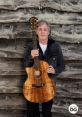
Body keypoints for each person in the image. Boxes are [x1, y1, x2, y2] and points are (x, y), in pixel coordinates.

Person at [23, 20, 65, 117]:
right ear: (36, 31)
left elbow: (62, 65)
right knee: (32, 112)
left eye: (45, 30)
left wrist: (55, 70)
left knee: (47, 112)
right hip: (32, 84)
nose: (42, 32)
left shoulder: (55, 46)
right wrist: (30, 56)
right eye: (40, 29)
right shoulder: (31, 46)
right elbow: (25, 64)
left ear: (49, 32)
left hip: (48, 84)